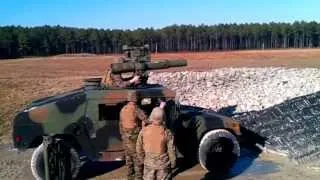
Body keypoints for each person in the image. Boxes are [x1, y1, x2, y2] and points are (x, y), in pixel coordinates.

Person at [136, 107, 177, 180]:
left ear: (151, 116)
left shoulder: (144, 131)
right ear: (163, 117)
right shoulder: (167, 132)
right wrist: (173, 163)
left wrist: (143, 160)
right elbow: (171, 150)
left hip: (148, 164)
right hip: (163, 166)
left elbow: (139, 148)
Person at [119, 91, 148, 180]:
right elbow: (146, 119)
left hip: (125, 137)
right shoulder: (135, 109)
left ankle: (130, 176)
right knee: (137, 157)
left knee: (129, 158)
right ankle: (139, 177)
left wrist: (123, 135)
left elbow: (120, 124)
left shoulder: (124, 109)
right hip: (133, 137)